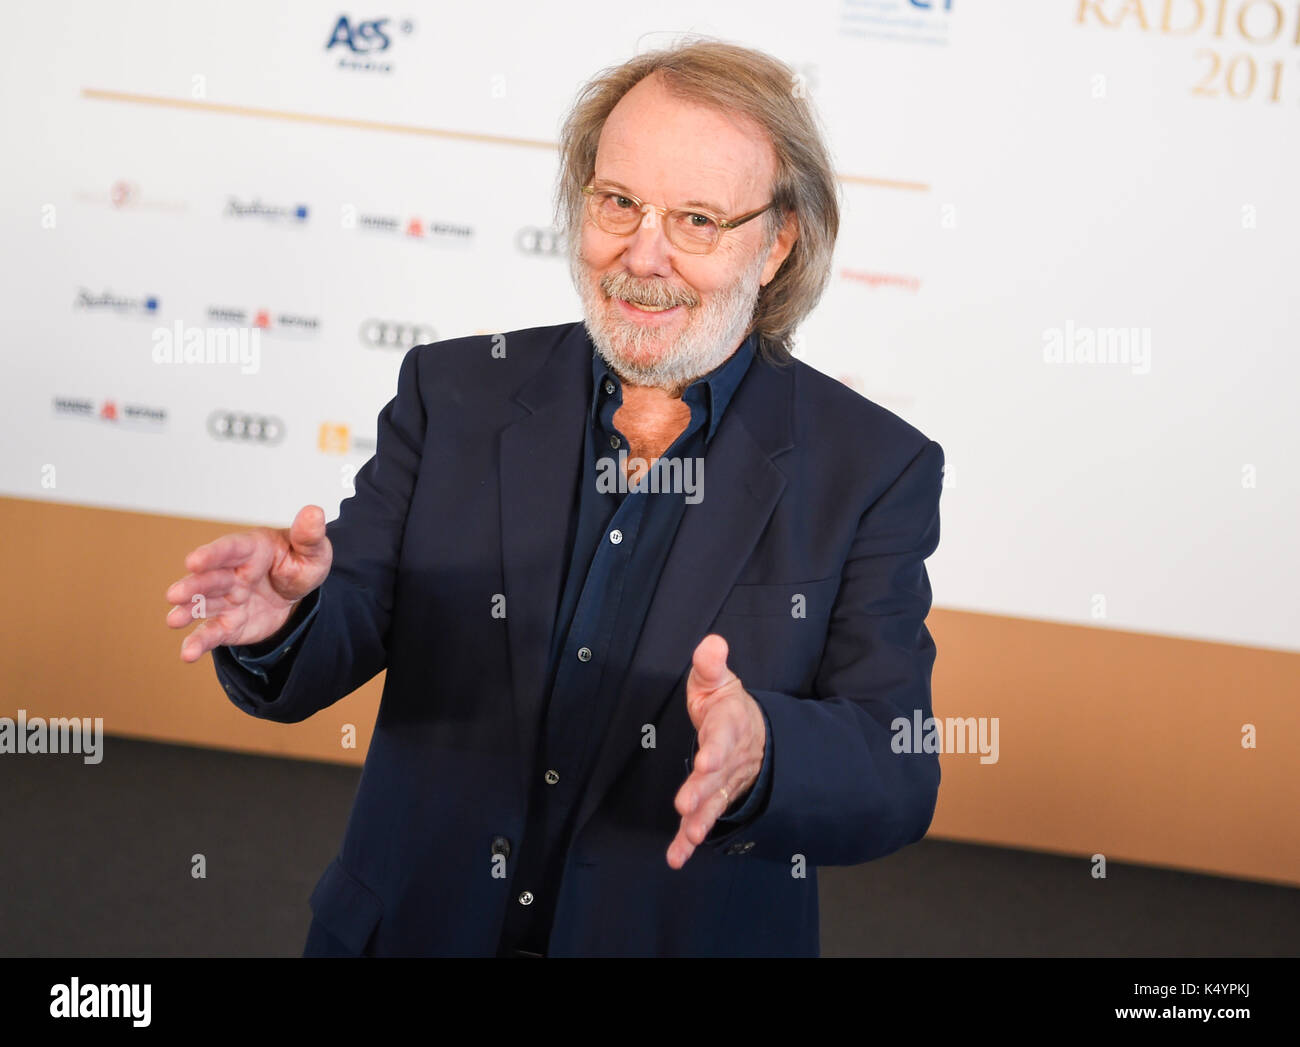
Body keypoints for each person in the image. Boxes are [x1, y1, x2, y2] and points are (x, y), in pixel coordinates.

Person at [165, 39, 945, 957]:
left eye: (697, 219)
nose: (643, 256)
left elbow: (894, 767)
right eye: (619, 202)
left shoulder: (872, 467)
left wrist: (765, 749)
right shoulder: (454, 391)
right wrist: (285, 622)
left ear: (776, 243)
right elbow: (350, 613)